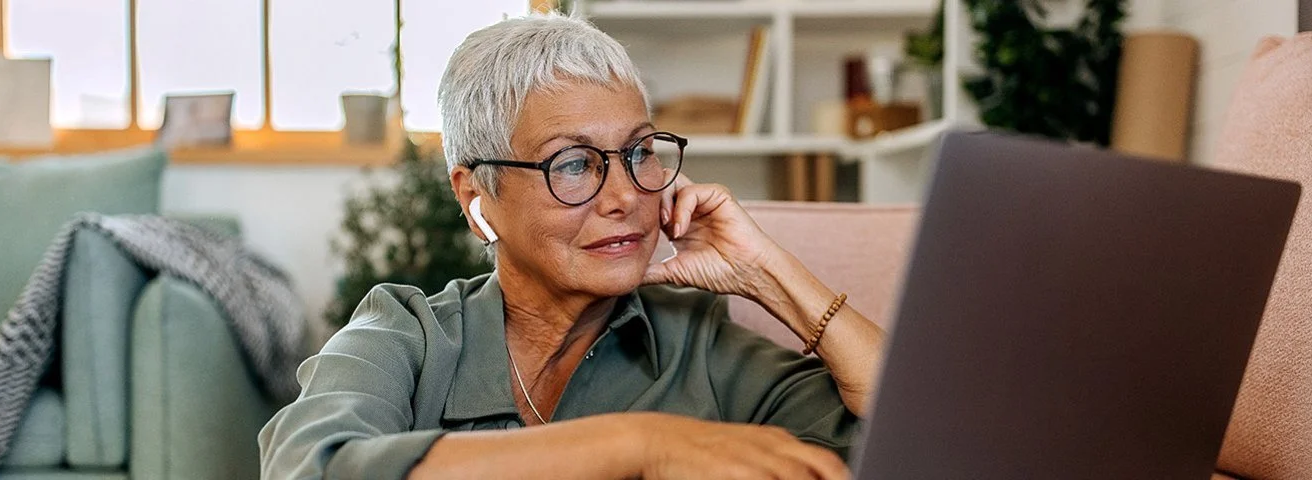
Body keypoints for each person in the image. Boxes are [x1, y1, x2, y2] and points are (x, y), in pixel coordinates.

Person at [259, 13, 886, 480]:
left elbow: (912, 444)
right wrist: (642, 446)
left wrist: (766, 273)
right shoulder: (409, 338)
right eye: (574, 164)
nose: (624, 196)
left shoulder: (698, 345)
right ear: (477, 195)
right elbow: (311, 467)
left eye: (639, 153)